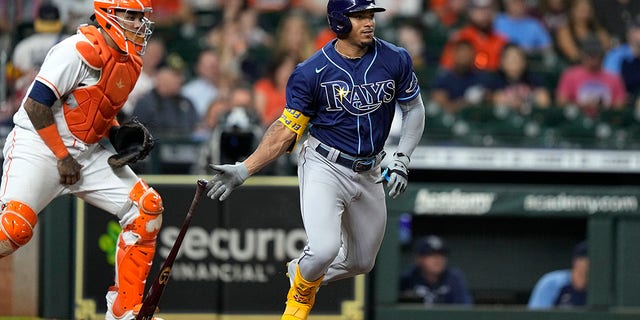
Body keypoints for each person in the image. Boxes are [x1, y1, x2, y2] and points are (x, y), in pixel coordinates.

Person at [206, 1, 426, 319]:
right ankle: (298, 304)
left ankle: (301, 271)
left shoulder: (394, 58)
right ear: (339, 20)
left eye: (370, 15)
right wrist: (245, 167)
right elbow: (285, 131)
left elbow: (414, 108)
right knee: (323, 249)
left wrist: (402, 156)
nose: (369, 22)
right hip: (326, 164)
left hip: (370, 169)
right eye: (359, 16)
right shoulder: (312, 71)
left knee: (361, 262)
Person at [0, 1, 164, 320]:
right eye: (129, 15)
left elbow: (93, 108)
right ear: (107, 14)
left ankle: (125, 310)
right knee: (12, 230)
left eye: (139, 16)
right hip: (40, 146)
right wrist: (62, 157)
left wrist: (117, 134)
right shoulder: (76, 49)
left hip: (85, 154)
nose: (137, 22)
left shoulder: (130, 61)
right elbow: (36, 106)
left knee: (146, 207)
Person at [556, 36, 627, 118]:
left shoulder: (614, 78)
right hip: (577, 119)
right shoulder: (570, 75)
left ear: (601, 55)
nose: (593, 57)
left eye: (596, 54)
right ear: (583, 54)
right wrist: (582, 105)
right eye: (589, 54)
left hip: (606, 119)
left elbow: (619, 106)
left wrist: (602, 107)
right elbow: (561, 102)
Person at [400, 235, 473, 306]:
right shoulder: (407, 279)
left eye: (441, 255)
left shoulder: (454, 278)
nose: (438, 260)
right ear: (418, 259)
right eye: (431, 255)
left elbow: (464, 308)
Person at [439, 0, 508, 72]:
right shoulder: (461, 38)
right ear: (471, 12)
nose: (484, 14)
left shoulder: (501, 40)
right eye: (479, 10)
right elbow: (446, 69)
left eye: (487, 9)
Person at [430, 40, 493, 114]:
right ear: (454, 54)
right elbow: (443, 109)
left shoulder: (482, 78)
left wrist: (485, 96)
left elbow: (492, 98)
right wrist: (467, 101)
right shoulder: (443, 79)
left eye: (467, 53)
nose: (464, 56)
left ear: (473, 55)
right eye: (461, 53)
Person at [489, 44, 552, 111]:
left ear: (524, 62)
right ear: (501, 62)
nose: (513, 63)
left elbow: (544, 98)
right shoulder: (495, 80)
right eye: (509, 59)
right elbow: (493, 98)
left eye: (517, 58)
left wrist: (524, 102)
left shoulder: (533, 78)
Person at [528, 241, 588, 309]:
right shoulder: (553, 282)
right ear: (576, 261)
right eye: (587, 260)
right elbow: (536, 315)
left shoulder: (599, 287)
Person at [554, 0, 611, 64]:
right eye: (581, 9)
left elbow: (608, 49)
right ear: (572, 11)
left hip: (600, 66)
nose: (585, 12)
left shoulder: (599, 30)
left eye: (587, 8)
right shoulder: (565, 31)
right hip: (576, 67)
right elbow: (573, 54)